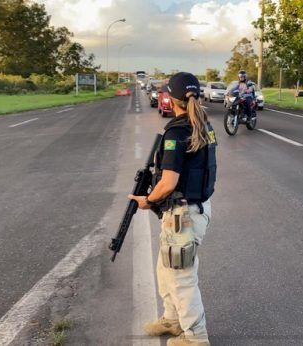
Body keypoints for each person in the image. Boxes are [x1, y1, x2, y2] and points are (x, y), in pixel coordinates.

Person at [129, 72, 217, 346]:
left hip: (183, 216)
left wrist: (148, 201)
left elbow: (168, 182)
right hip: (194, 210)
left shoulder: (177, 131)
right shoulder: (202, 125)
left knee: (181, 278)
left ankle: (196, 337)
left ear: (170, 97)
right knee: (165, 271)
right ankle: (172, 319)